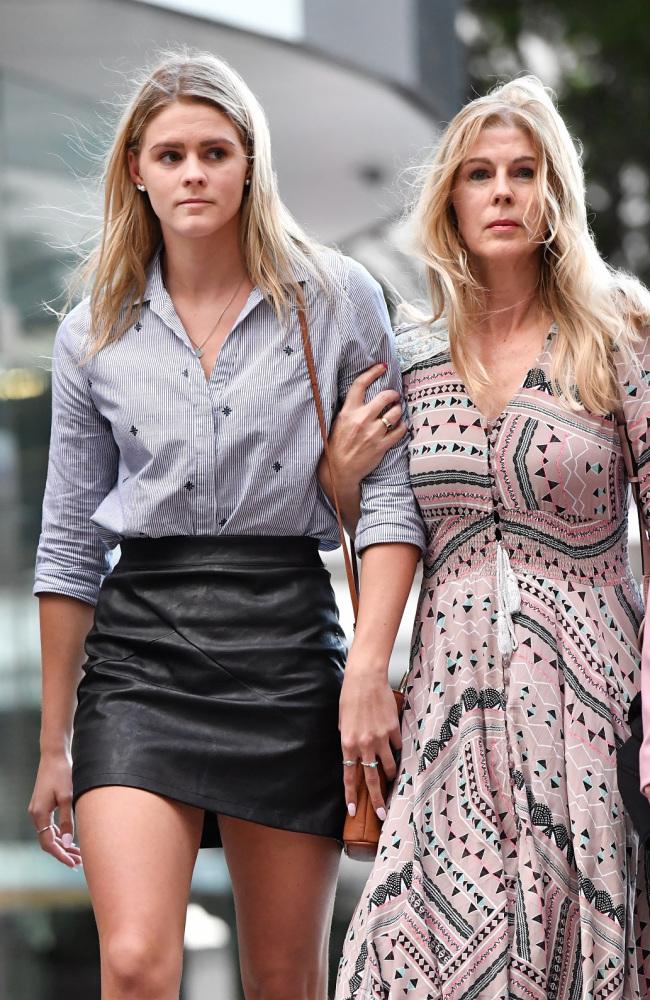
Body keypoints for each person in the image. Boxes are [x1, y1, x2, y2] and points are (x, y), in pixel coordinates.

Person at [27, 51, 426, 1000]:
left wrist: (367, 669)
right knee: (131, 963)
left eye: (216, 151)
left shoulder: (335, 300)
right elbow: (69, 543)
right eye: (171, 155)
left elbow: (392, 497)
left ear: (251, 162)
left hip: (284, 642)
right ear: (137, 170)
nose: (194, 173)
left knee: (286, 977)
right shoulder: (94, 332)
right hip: (139, 656)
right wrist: (53, 743)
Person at [324, 76, 650, 999]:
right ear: (451, 200)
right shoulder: (412, 352)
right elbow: (382, 521)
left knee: (581, 945)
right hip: (446, 700)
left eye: (523, 172)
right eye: (478, 174)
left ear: (553, 196)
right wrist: (340, 481)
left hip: (594, 698)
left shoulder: (621, 332)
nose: (501, 191)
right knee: (410, 954)